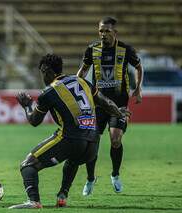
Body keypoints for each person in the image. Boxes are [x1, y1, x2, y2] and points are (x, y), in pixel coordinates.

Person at [9, 54, 130, 209]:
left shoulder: (49, 92)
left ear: (47, 71)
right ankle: (62, 195)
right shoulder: (82, 81)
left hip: (71, 139)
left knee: (28, 165)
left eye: (42, 73)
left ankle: (33, 201)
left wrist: (27, 105)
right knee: (73, 160)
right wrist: (119, 114)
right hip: (93, 144)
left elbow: (34, 121)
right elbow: (105, 102)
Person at [77, 17, 143, 195]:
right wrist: (77, 88)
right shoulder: (92, 50)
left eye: (107, 31)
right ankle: (91, 179)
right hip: (97, 104)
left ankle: (115, 175)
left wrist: (137, 88)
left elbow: (138, 67)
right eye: (101, 31)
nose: (103, 34)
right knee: (91, 143)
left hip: (119, 105)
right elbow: (82, 71)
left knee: (115, 140)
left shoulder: (126, 50)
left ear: (115, 32)